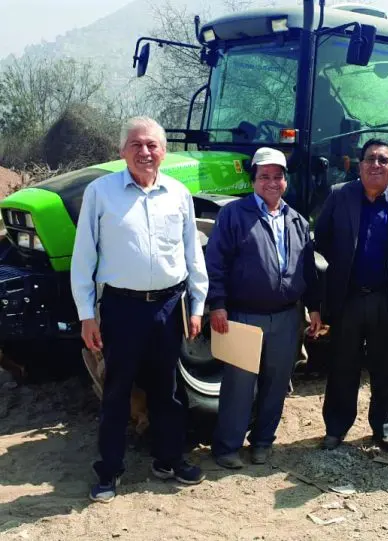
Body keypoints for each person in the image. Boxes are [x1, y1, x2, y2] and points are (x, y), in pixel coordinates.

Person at [71, 116, 209, 503]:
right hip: (122, 309)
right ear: (122, 151)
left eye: (152, 145)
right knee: (116, 391)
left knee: (167, 390)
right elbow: (83, 257)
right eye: (136, 144)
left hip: (169, 306)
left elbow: (192, 252)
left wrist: (197, 305)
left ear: (164, 151)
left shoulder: (178, 194)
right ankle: (108, 472)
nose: (145, 152)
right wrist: (86, 314)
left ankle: (169, 460)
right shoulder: (100, 193)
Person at [205, 147, 323, 468]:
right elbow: (215, 262)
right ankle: (227, 447)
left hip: (286, 317)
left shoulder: (297, 220)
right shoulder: (234, 215)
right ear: (253, 180)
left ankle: (262, 442)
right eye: (264, 176)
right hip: (244, 315)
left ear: (286, 181)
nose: (272, 182)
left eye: (278, 176)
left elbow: (307, 269)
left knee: (276, 384)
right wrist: (217, 304)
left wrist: (314, 307)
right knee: (238, 386)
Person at [314, 138, 388, 454]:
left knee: (386, 370)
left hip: (387, 300)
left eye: (382, 160)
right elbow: (321, 241)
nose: (375, 164)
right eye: (370, 159)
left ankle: (385, 428)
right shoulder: (339, 196)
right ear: (359, 165)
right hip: (348, 299)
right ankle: (336, 428)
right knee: (342, 367)